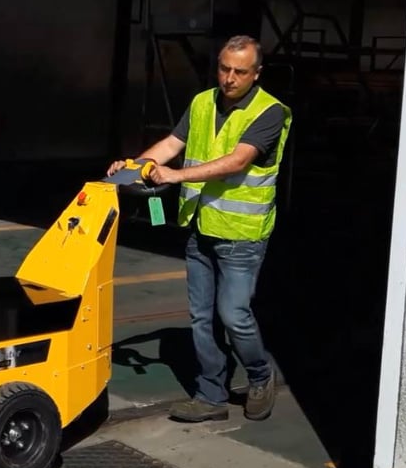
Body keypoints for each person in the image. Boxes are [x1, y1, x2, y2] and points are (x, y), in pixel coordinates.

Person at [108, 34, 292, 422]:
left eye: (240, 71)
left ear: (256, 74)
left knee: (233, 313)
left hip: (242, 236)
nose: (229, 78)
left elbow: (237, 161)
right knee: (201, 316)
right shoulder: (201, 103)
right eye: (224, 68)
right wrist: (130, 168)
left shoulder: (269, 112)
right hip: (200, 229)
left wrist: (175, 177)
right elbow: (171, 144)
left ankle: (260, 375)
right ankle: (211, 395)